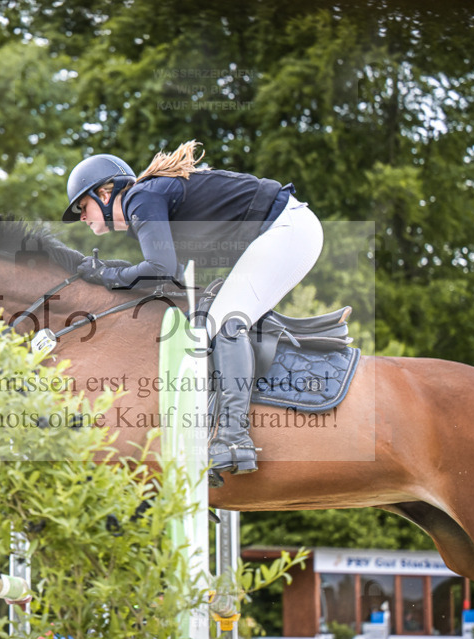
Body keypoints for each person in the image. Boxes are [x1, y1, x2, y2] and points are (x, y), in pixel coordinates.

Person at [61, 141, 324, 485]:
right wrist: (111, 274)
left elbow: (160, 268)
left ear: (106, 193)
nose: (82, 217)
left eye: (83, 206)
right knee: (205, 323)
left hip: (286, 230)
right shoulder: (150, 201)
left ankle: (233, 438)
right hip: (284, 230)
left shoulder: (141, 197)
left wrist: (107, 275)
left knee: (225, 325)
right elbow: (170, 277)